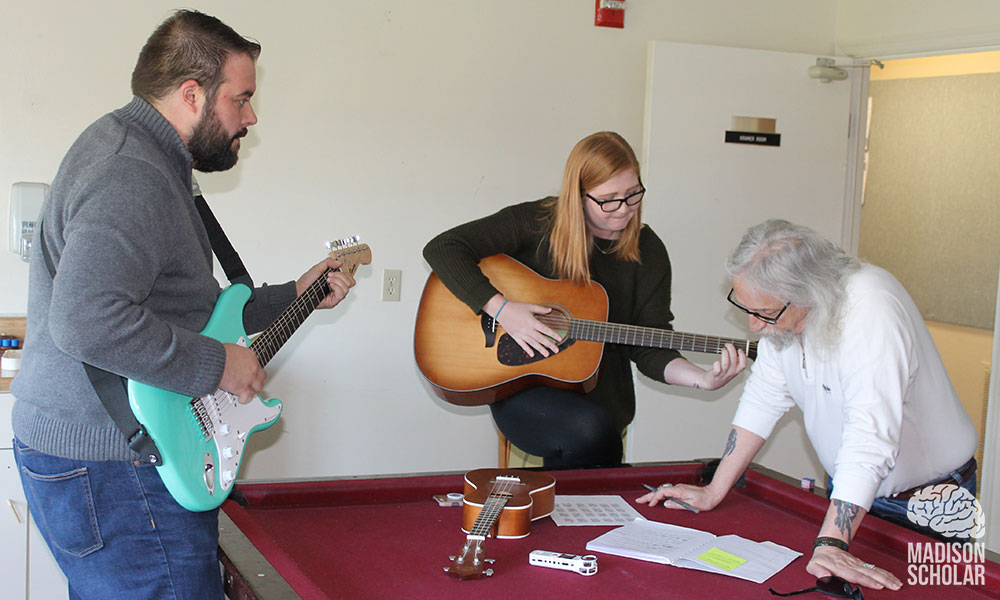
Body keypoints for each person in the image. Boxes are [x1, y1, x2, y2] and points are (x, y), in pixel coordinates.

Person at [11, 10, 355, 599]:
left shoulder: (149, 158)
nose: (251, 117)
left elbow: (184, 306)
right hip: (117, 464)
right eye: (241, 99)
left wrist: (292, 298)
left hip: (109, 455)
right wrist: (219, 364)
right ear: (192, 94)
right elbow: (86, 318)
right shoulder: (131, 172)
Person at [638, 219, 978, 591]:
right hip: (851, 493)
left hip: (927, 501)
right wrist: (715, 490)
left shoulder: (871, 310)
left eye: (764, 313)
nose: (753, 326)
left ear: (807, 294)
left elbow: (870, 437)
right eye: (746, 309)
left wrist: (831, 542)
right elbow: (764, 397)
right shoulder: (783, 319)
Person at [423, 131, 746, 469]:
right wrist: (502, 309)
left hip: (603, 401)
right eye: (608, 199)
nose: (623, 210)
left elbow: (651, 344)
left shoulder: (649, 251)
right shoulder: (536, 223)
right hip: (522, 387)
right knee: (589, 428)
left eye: (633, 194)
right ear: (577, 196)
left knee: (596, 440)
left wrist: (702, 379)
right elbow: (443, 247)